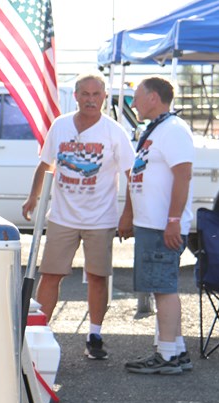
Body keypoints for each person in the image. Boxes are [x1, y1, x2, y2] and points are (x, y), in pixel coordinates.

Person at [22, 73, 135, 360]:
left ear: (104, 98)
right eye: (85, 94)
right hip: (62, 215)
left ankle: (94, 334)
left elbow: (131, 174)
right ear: (75, 96)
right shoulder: (60, 126)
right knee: (50, 274)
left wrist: (128, 213)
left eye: (96, 95)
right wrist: (33, 196)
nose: (91, 100)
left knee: (98, 276)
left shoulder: (113, 132)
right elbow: (46, 163)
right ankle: (39, 333)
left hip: (101, 218)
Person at [119, 76, 195, 375]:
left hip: (162, 225)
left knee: (163, 289)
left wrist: (173, 220)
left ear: (153, 97)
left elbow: (183, 175)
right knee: (162, 287)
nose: (133, 103)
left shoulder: (173, 130)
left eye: (137, 96)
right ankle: (175, 350)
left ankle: (165, 356)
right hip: (151, 224)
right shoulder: (158, 129)